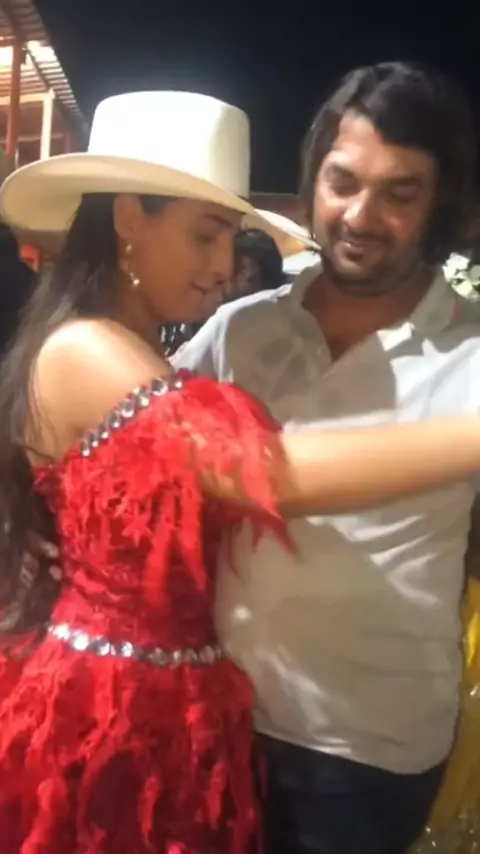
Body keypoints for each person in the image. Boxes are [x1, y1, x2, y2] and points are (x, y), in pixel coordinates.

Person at [0, 90, 478, 854]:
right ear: (129, 218)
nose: (224, 267)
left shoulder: (155, 353)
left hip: (221, 716)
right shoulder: (87, 349)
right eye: (205, 235)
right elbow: (269, 475)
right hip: (113, 711)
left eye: (229, 237)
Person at [176, 63, 480, 853]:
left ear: (441, 202)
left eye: (400, 193)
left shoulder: (472, 355)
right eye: (342, 181)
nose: (360, 215)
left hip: (366, 752)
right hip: (212, 713)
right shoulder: (241, 329)